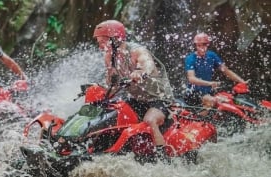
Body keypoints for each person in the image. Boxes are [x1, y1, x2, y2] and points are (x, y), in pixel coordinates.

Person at [93, 20, 173, 152]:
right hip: (136, 100)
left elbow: (148, 65)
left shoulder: (137, 51)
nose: (101, 47)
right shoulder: (109, 57)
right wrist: (99, 90)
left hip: (159, 99)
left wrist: (140, 71)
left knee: (150, 120)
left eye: (103, 42)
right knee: (109, 114)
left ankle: (162, 156)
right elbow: (112, 84)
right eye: (99, 43)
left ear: (116, 39)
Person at [184, 32, 246, 108]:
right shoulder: (190, 58)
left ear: (207, 44)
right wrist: (210, 83)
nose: (201, 47)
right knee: (212, 100)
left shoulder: (211, 55)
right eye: (199, 45)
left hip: (208, 92)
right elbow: (191, 79)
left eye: (204, 44)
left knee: (229, 100)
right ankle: (203, 119)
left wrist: (242, 81)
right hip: (193, 93)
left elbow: (226, 71)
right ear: (195, 46)